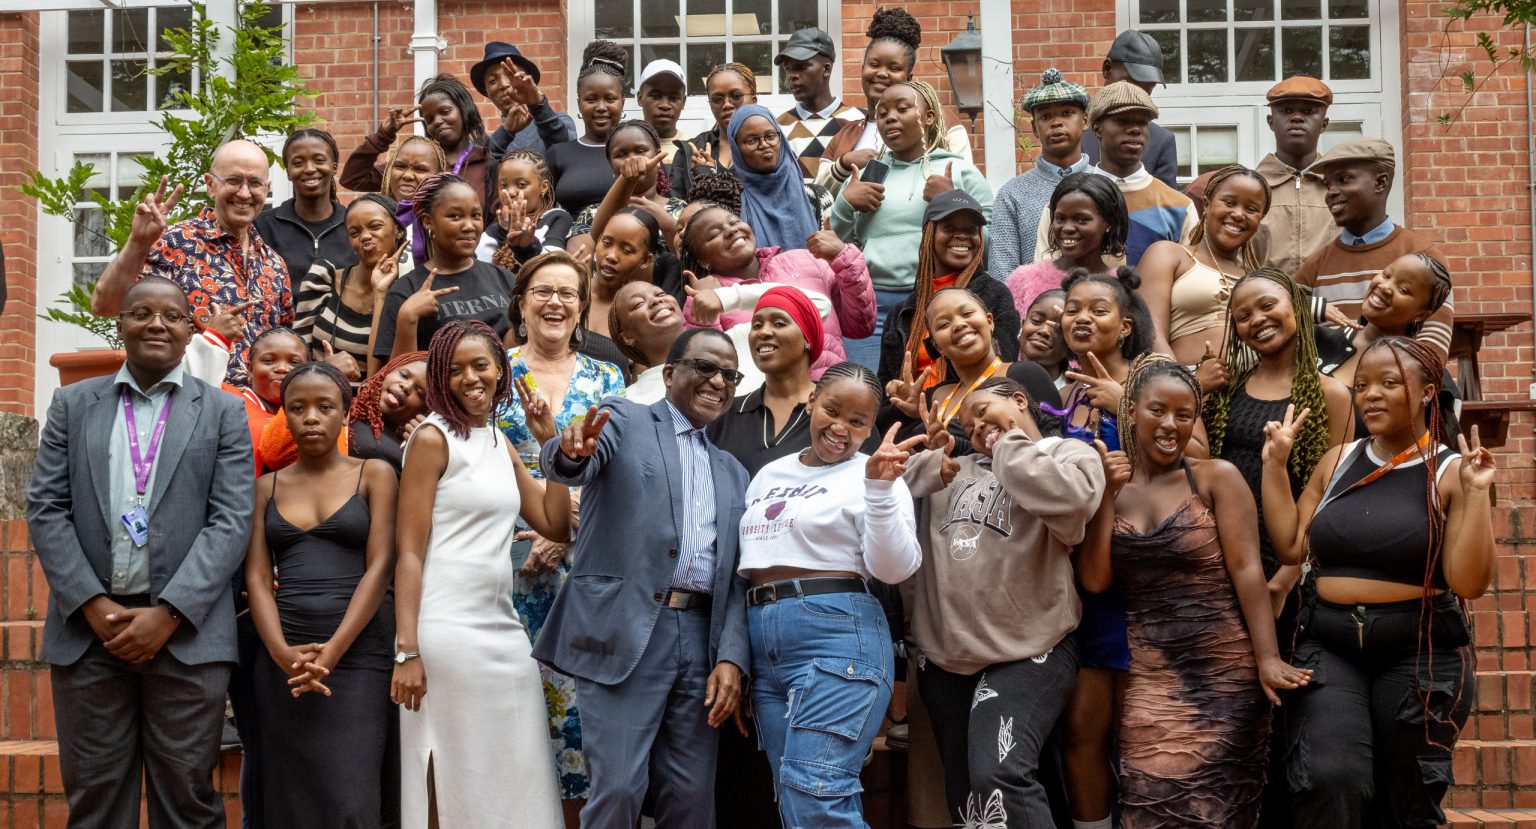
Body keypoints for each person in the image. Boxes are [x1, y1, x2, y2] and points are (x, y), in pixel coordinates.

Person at [28, 275, 255, 828]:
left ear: (189, 330)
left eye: (172, 315)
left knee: (189, 804)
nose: (156, 323)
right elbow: (46, 509)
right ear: (121, 324)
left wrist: (171, 611)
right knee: (96, 804)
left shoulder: (223, 412)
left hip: (187, 638)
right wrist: (91, 604)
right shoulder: (73, 404)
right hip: (88, 638)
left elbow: (232, 519)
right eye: (141, 313)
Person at [1261, 336, 1495, 827]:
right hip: (1330, 643)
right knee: (1328, 779)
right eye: (1362, 384)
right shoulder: (1337, 460)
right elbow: (1290, 546)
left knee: (1406, 799)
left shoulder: (1451, 471)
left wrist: (1474, 497)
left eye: (1390, 384)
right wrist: (1275, 467)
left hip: (1418, 649)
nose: (1370, 395)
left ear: (1429, 391)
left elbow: (1469, 583)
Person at [1076, 355, 1311, 827]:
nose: (1171, 425)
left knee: (1216, 813)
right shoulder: (1111, 487)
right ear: (1131, 412)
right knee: (1148, 796)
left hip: (1224, 672)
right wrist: (1104, 497)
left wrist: (1267, 657)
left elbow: (1247, 571)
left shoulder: (1215, 477)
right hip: (1152, 677)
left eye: (1184, 416)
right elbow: (1096, 580)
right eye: (1158, 411)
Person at [535, 328, 751, 828]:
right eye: (705, 367)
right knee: (618, 790)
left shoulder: (733, 471)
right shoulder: (625, 417)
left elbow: (738, 576)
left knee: (692, 797)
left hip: (702, 638)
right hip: (626, 628)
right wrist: (570, 451)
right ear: (670, 373)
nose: (718, 381)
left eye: (729, 374)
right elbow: (570, 461)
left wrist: (732, 657)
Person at [904, 374, 1104, 827]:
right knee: (969, 801)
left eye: (983, 412)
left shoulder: (1067, 453)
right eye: (967, 422)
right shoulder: (954, 467)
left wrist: (1008, 441)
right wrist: (930, 461)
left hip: (1031, 649)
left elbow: (1073, 506)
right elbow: (886, 502)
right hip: (947, 657)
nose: (975, 427)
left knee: (999, 775)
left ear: (1018, 400)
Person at [392, 320, 569, 827]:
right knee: (449, 768)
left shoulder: (497, 440)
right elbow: (409, 553)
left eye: (481, 365)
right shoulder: (431, 437)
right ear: (438, 380)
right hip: (443, 630)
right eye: (454, 370)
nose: (470, 378)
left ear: (501, 371)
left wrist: (550, 441)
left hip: (503, 630)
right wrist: (408, 649)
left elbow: (554, 522)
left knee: (517, 769)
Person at [740, 361, 923, 827]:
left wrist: (880, 490)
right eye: (832, 410)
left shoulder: (877, 475)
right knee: (795, 799)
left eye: (858, 421)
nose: (841, 428)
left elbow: (895, 568)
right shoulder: (768, 475)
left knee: (816, 793)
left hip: (838, 636)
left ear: (869, 428)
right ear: (811, 403)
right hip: (765, 645)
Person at [495, 251, 625, 818]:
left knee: (577, 724)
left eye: (567, 293)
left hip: (583, 564)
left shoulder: (607, 377)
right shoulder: (491, 371)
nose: (555, 302)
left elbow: (619, 475)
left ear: (581, 306)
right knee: (511, 719)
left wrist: (561, 526)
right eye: (542, 291)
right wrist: (536, 524)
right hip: (504, 564)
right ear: (521, 303)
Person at [243, 362, 397, 828]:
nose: (311, 417)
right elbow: (255, 578)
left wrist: (332, 651)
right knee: (290, 799)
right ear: (283, 417)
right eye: (298, 408)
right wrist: (281, 653)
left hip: (359, 655)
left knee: (352, 798)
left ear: (345, 414)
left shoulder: (375, 474)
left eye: (324, 406)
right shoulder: (264, 487)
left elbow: (381, 566)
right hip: (283, 659)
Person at [91, 139, 294, 388]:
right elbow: (105, 305)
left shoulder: (273, 264)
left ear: (267, 188)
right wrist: (137, 242)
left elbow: (285, 344)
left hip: (257, 416)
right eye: (233, 181)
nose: (244, 193)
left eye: (254, 183)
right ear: (210, 185)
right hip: (188, 405)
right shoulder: (176, 242)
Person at [830, 79, 993, 370]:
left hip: (938, 301)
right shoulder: (867, 174)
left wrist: (951, 200)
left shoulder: (959, 170)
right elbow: (836, 243)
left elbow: (988, 238)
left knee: (932, 394)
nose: (890, 117)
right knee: (866, 393)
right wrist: (845, 203)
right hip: (871, 305)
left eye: (902, 109)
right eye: (882, 113)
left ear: (928, 117)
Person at [1294, 138, 1453, 357]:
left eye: (1343, 179)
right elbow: (1285, 316)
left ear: (1380, 183)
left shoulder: (1423, 256)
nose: (1331, 192)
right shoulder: (1316, 264)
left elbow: (1433, 346)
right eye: (1328, 184)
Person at [680, 205, 875, 375]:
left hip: (831, 396)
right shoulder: (706, 297)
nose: (731, 231)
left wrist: (843, 257)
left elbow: (860, 326)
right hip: (768, 406)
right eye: (714, 234)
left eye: (734, 222)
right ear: (703, 261)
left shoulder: (806, 260)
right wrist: (707, 305)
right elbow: (710, 367)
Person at [1137, 164, 1271, 390]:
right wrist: (1186, 385)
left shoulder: (1255, 279)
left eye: (1251, 209)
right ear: (1207, 205)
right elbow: (1150, 334)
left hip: (1247, 395)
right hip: (1181, 390)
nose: (1238, 214)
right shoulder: (1170, 255)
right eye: (1229, 203)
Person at [882, 287, 1060, 456]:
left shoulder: (1024, 374)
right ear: (938, 346)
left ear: (989, 322)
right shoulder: (936, 396)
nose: (959, 324)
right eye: (944, 324)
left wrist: (956, 448)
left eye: (967, 314)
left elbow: (1051, 443)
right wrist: (908, 413)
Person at [1037, 82, 1197, 270]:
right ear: (1097, 129)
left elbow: (1190, 283)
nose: (1135, 129)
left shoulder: (1179, 207)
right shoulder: (1065, 202)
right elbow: (1044, 280)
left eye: (1142, 122)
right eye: (1123, 121)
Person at [820, 9, 974, 195]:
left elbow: (965, 183)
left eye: (894, 68)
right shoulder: (845, 134)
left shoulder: (942, 123)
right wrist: (844, 163)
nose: (882, 73)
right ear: (862, 69)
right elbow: (818, 194)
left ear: (908, 77)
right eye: (874, 65)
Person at [371, 173, 516, 370]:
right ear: (428, 221)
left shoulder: (505, 279)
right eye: (455, 216)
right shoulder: (405, 291)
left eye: (475, 215)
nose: (468, 226)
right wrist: (408, 317)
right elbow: (393, 378)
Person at [878, 190, 1020, 389]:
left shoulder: (995, 295)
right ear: (929, 233)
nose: (962, 236)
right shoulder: (901, 311)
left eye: (971, 230)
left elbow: (1001, 369)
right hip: (906, 417)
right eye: (949, 227)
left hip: (968, 413)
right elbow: (885, 386)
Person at [1317, 253, 1461, 438]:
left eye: (1403, 289)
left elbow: (1439, 448)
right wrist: (1309, 308)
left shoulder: (1426, 374)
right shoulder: (1317, 341)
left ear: (1422, 314)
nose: (1385, 287)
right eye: (1386, 275)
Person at [989, 68, 1093, 279]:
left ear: (1084, 121)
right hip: (1031, 308)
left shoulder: (1107, 184)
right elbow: (1003, 273)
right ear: (1035, 128)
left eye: (1066, 113)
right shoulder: (1012, 194)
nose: (1056, 122)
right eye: (1045, 116)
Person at [294, 193, 408, 382]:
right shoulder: (323, 279)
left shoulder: (407, 294)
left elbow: (381, 377)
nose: (364, 237)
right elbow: (296, 359)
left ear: (398, 230)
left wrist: (380, 295)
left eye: (375, 226)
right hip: (318, 399)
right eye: (354, 233)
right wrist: (325, 370)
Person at [342, 75, 493, 213]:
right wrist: (383, 136)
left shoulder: (489, 161)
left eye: (445, 111)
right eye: (429, 119)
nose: (438, 121)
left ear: (464, 111)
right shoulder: (413, 166)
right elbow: (353, 178)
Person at [1007, 172, 1127, 319]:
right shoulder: (1023, 281)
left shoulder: (1122, 287)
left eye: (1082, 220)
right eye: (1060, 219)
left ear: (1108, 223)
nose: (1067, 228)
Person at [1254, 76, 1337, 276]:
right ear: (1271, 122)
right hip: (1266, 302)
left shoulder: (1341, 189)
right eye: (1286, 111)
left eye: (1308, 112)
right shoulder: (1251, 188)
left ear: (1324, 124)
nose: (1297, 118)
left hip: (1330, 304)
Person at [1078, 30, 1178, 189]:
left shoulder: (1162, 141)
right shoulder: (1074, 136)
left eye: (1147, 90)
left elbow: (1167, 207)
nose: (1135, 96)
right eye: (1131, 85)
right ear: (1107, 69)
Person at [569, 119, 687, 251]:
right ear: (610, 164)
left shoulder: (684, 211)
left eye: (641, 151)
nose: (632, 159)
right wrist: (626, 180)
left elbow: (693, 262)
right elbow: (579, 263)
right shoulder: (592, 214)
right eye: (621, 154)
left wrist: (669, 227)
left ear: (658, 156)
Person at [255, 129, 354, 281]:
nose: (309, 169)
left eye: (319, 160)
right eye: (298, 163)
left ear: (334, 167)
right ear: (288, 172)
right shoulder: (262, 227)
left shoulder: (353, 225)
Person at [729, 104, 827, 250]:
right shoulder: (730, 204)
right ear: (736, 149)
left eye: (770, 136)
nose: (764, 145)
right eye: (751, 140)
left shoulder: (816, 197)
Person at [546, 41, 627, 216]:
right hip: (570, 239)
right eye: (591, 99)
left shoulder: (637, 151)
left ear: (622, 102)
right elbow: (544, 213)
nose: (600, 107)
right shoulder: (558, 154)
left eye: (610, 99)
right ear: (579, 104)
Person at [774, 27, 864, 182]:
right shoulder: (776, 128)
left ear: (826, 69)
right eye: (788, 69)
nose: (792, 76)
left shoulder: (861, 120)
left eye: (801, 67)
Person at [469, 41, 578, 158]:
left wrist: (539, 106)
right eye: (492, 81)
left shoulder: (559, 122)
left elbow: (567, 153)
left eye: (510, 75)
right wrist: (505, 133)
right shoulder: (489, 145)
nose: (504, 84)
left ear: (527, 80)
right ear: (487, 93)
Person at [670, 62, 759, 199]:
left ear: (753, 100)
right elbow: (675, 207)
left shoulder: (771, 146)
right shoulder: (689, 151)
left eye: (736, 96)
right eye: (717, 99)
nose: (727, 104)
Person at [481, 148, 575, 271]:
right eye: (504, 185)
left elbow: (553, 264)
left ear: (543, 187)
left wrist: (527, 246)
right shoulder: (497, 226)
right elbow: (480, 265)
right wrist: (502, 231)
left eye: (521, 185)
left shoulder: (556, 218)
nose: (511, 192)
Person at [347, 350, 429, 473]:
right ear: (385, 371)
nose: (406, 386)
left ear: (423, 410)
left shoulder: (401, 454)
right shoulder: (340, 408)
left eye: (419, 392)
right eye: (403, 375)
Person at [1020, 289, 1070, 388]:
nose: (1044, 331)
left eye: (1058, 328)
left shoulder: (1081, 395)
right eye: (1036, 320)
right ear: (1022, 324)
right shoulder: (995, 379)